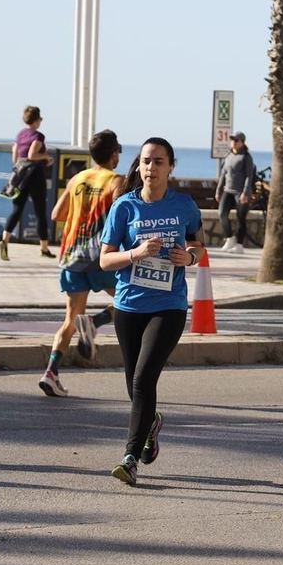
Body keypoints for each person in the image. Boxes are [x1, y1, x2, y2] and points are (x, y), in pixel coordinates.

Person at [98, 138, 206, 486]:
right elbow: (104, 259)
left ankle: (129, 459)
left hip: (168, 305)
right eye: (146, 161)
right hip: (128, 305)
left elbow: (200, 246)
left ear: (170, 166)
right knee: (134, 383)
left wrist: (188, 257)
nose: (151, 168)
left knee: (144, 378)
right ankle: (152, 422)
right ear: (139, 165)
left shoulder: (184, 205)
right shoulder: (124, 207)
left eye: (159, 161)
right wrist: (137, 253)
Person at [39, 129, 125, 397]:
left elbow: (56, 214)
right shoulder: (115, 181)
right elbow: (126, 216)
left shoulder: (78, 178)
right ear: (113, 155)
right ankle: (96, 322)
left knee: (69, 319)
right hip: (100, 257)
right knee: (128, 299)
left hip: (71, 256)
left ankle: (51, 373)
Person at [0, 105, 54, 261]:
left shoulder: (20, 135)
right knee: (40, 212)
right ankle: (44, 248)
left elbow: (15, 156)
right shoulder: (38, 136)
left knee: (17, 210)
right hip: (35, 175)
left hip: (21, 176)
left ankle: (4, 240)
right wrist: (46, 157)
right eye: (40, 119)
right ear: (37, 120)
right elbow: (32, 155)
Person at [216, 132, 257, 253]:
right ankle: (229, 238)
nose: (233, 141)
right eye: (232, 139)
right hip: (228, 190)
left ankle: (239, 245)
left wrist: (245, 192)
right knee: (222, 214)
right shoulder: (228, 155)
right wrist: (218, 190)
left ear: (242, 142)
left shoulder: (246, 157)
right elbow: (223, 174)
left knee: (241, 218)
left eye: (236, 140)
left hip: (241, 192)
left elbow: (249, 177)